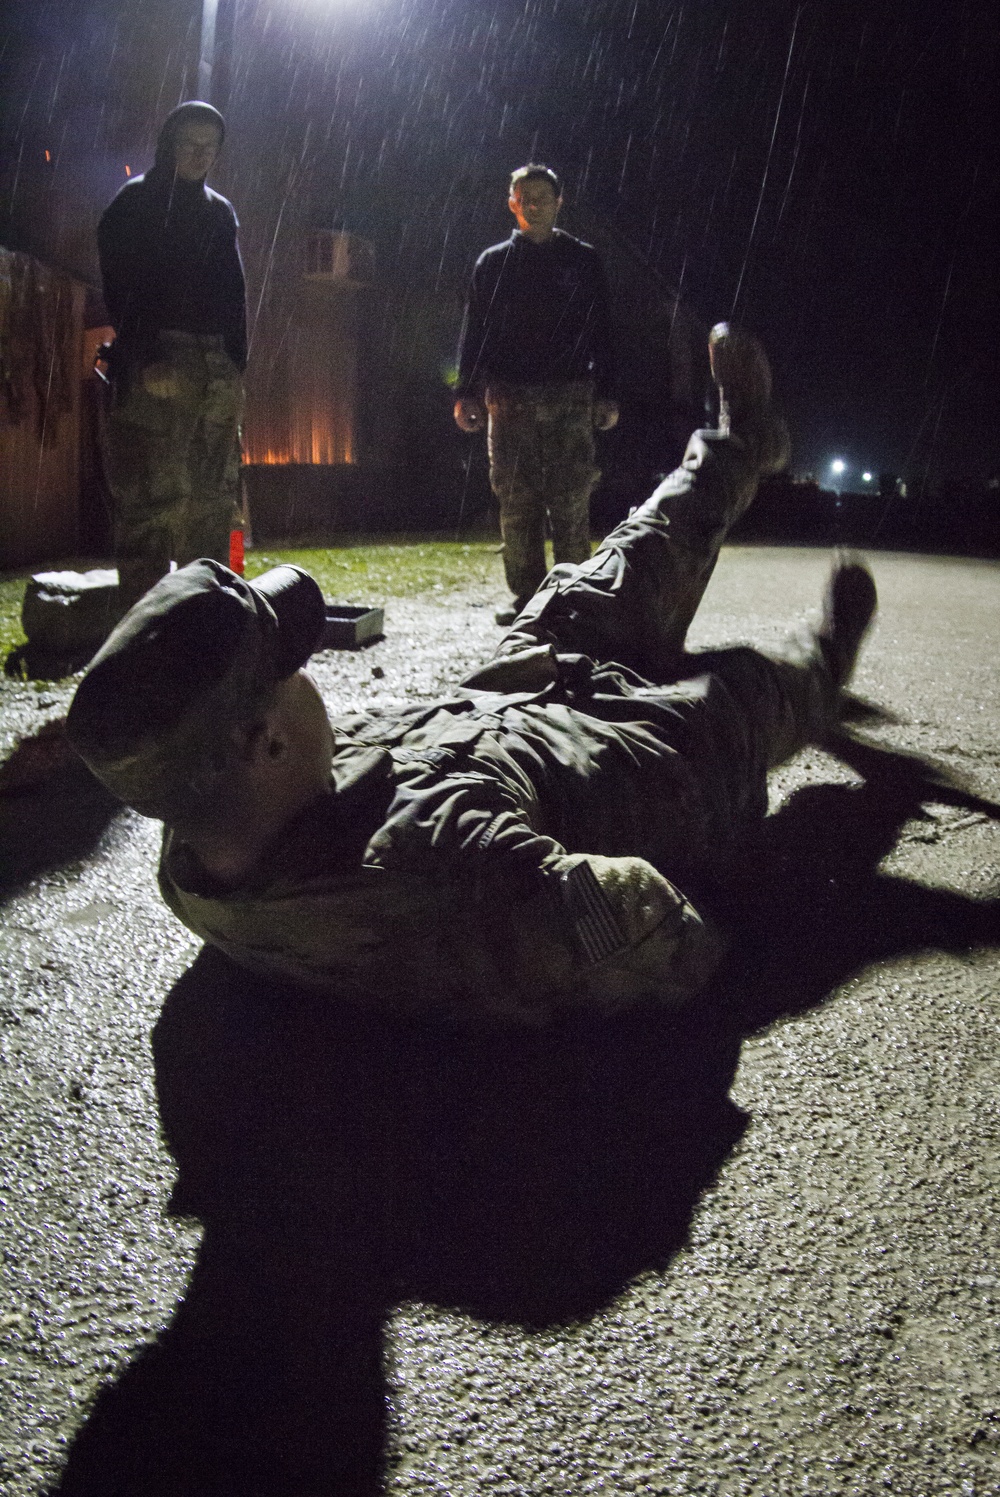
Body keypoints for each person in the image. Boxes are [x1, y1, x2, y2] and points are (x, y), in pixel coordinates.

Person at [66, 326, 876, 1028]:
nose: (311, 679)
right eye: (292, 672)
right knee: (748, 696)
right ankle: (826, 664)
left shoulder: (206, 823)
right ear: (267, 741)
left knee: (633, 554)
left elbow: (146, 750)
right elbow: (664, 940)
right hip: (641, 756)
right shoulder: (452, 884)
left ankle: (743, 442)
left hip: (520, 683)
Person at [97, 100, 247, 614]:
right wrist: (142, 355)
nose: (201, 154)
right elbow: (122, 286)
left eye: (211, 145)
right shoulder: (136, 203)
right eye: (191, 143)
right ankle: (143, 636)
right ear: (169, 144)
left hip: (214, 368)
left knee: (214, 502)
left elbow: (234, 292)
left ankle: (205, 624)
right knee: (151, 504)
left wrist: (236, 362)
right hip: (160, 361)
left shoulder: (218, 210)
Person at [454, 165, 619, 625]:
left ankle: (573, 597)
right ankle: (528, 600)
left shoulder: (583, 261)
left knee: (570, 499)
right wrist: (466, 392)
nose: (534, 204)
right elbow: (475, 333)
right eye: (525, 197)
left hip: (570, 396)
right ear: (513, 202)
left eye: (543, 197)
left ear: (558, 201)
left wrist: (608, 393)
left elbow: (602, 330)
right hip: (508, 399)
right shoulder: (492, 263)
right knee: (516, 499)